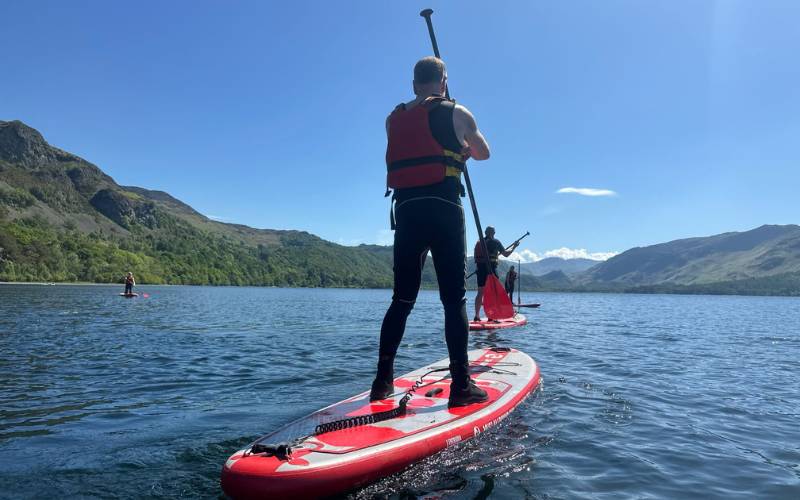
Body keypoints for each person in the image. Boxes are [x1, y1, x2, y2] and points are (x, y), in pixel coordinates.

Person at [370, 56, 491, 408]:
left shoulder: (392, 120)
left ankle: (381, 382)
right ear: (444, 82)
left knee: (402, 299)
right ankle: (462, 386)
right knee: (453, 300)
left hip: (407, 211)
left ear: (413, 84)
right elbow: (484, 153)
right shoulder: (458, 112)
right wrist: (463, 149)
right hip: (444, 207)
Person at [473, 226, 519, 321]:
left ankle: (477, 316)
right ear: (493, 233)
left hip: (480, 269)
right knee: (493, 293)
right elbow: (506, 254)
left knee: (480, 292)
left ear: (485, 232)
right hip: (491, 269)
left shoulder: (479, 242)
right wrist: (514, 247)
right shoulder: (495, 242)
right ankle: (491, 316)